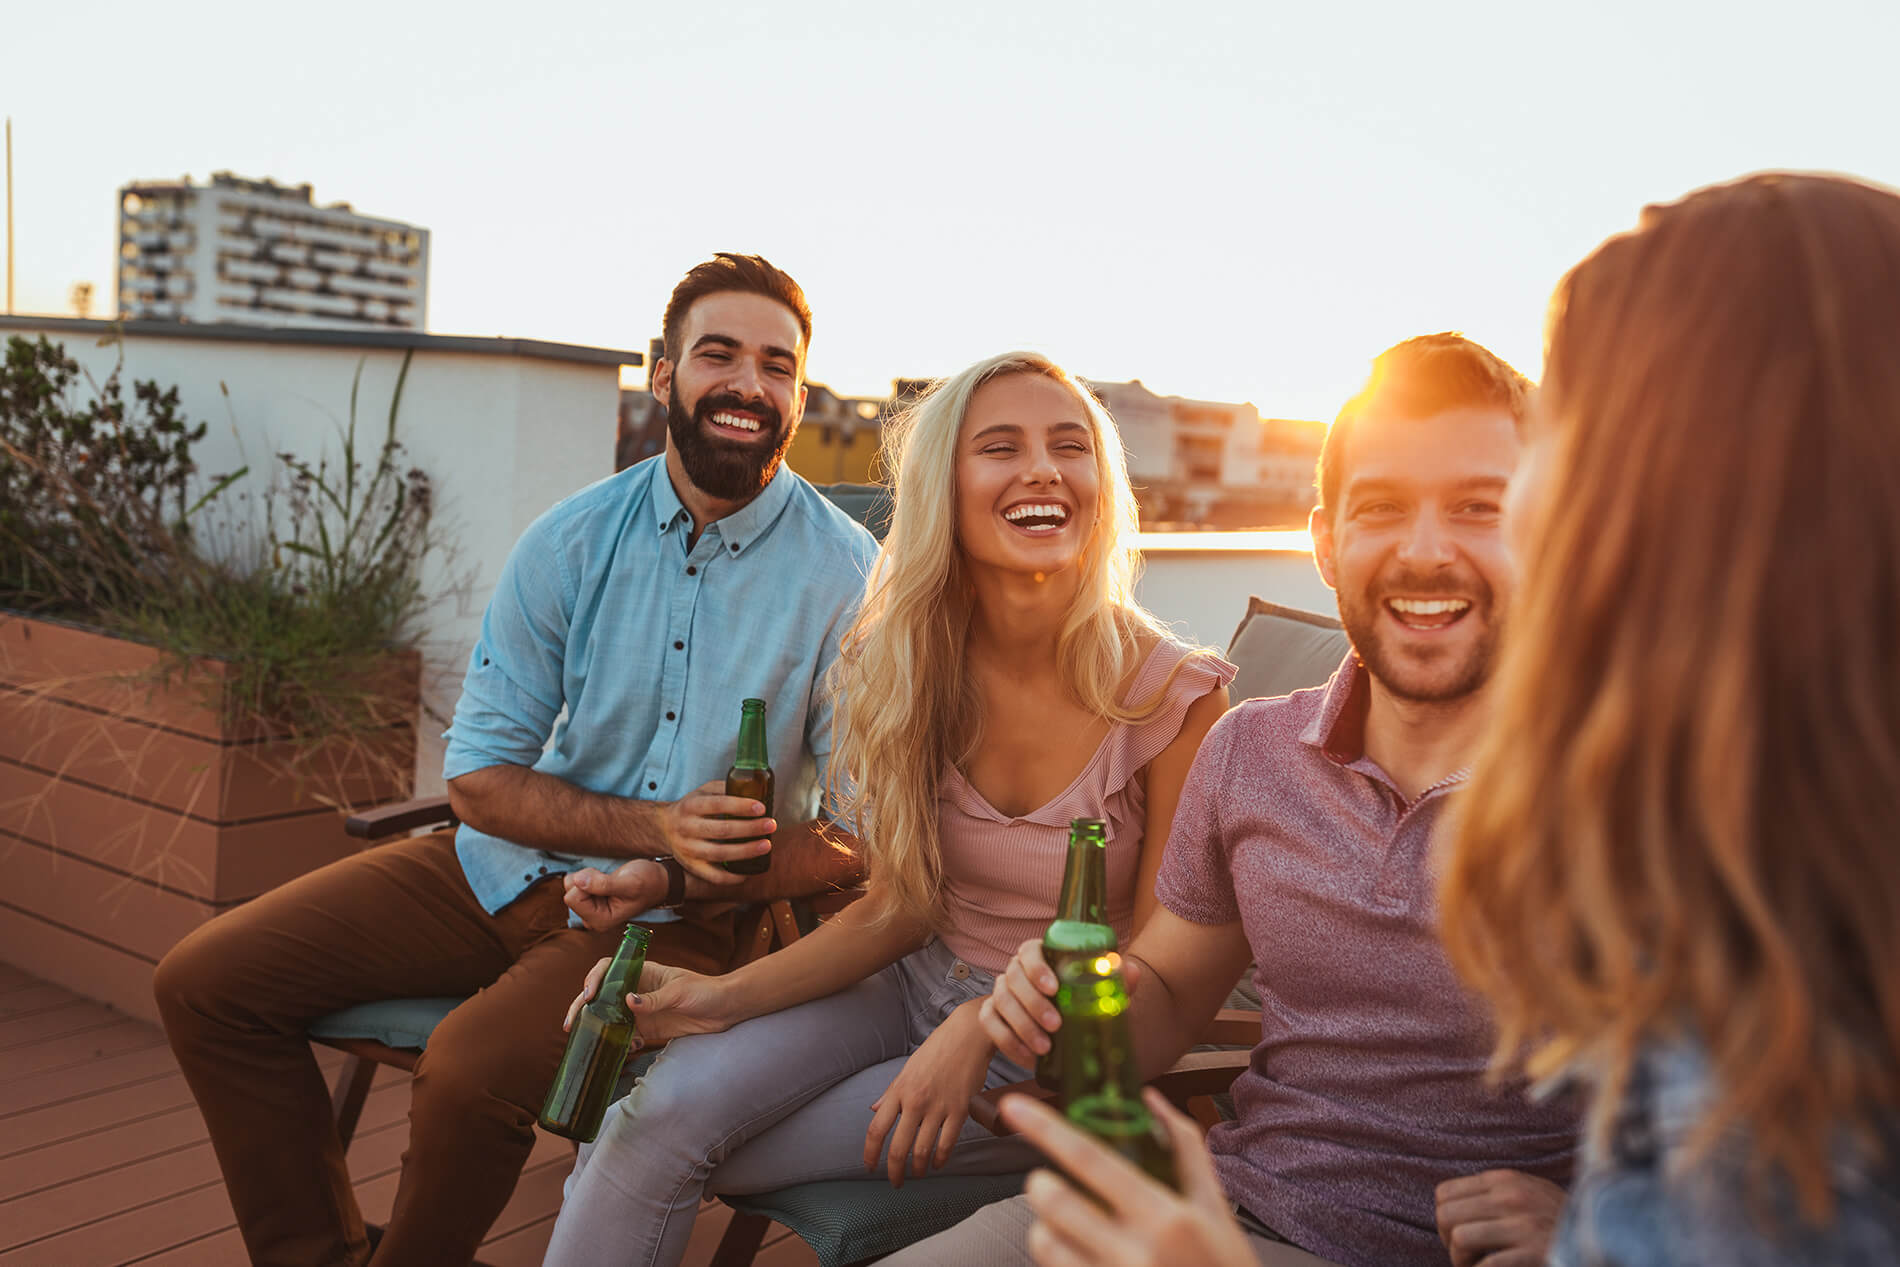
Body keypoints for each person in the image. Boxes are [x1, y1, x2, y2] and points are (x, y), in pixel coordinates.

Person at [152, 253, 879, 1267]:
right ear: (662, 373)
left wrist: (672, 863)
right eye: (719, 354)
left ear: (798, 394)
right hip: (494, 867)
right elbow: (479, 778)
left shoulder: (851, 580)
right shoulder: (570, 539)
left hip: (683, 916)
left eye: (776, 366)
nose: (748, 385)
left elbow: (857, 839)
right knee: (204, 981)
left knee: (465, 1070)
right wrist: (648, 822)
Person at [541, 350, 1235, 1266]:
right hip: (906, 987)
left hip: (1052, 1056)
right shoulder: (907, 663)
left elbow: (1157, 987)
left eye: (1072, 446)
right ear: (943, 486)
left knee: (641, 1137)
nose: (1044, 468)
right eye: (1001, 446)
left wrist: (984, 1023)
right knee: (645, 1125)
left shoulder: (1176, 704)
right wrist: (712, 999)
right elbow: (900, 907)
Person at [924, 334, 1580, 1267]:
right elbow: (1166, 1003)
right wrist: (1073, 1007)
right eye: (1382, 508)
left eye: (1479, 507)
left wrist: (1607, 1231)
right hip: (1220, 1209)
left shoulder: (1629, 790)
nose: (1426, 551)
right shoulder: (1251, 752)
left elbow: (1767, 1125)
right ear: (1324, 541)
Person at [1439, 173, 1900, 1264]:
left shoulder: (1763, 1039)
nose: (1513, 500)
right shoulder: (1789, 899)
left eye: (1551, 424)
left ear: (1638, 499)